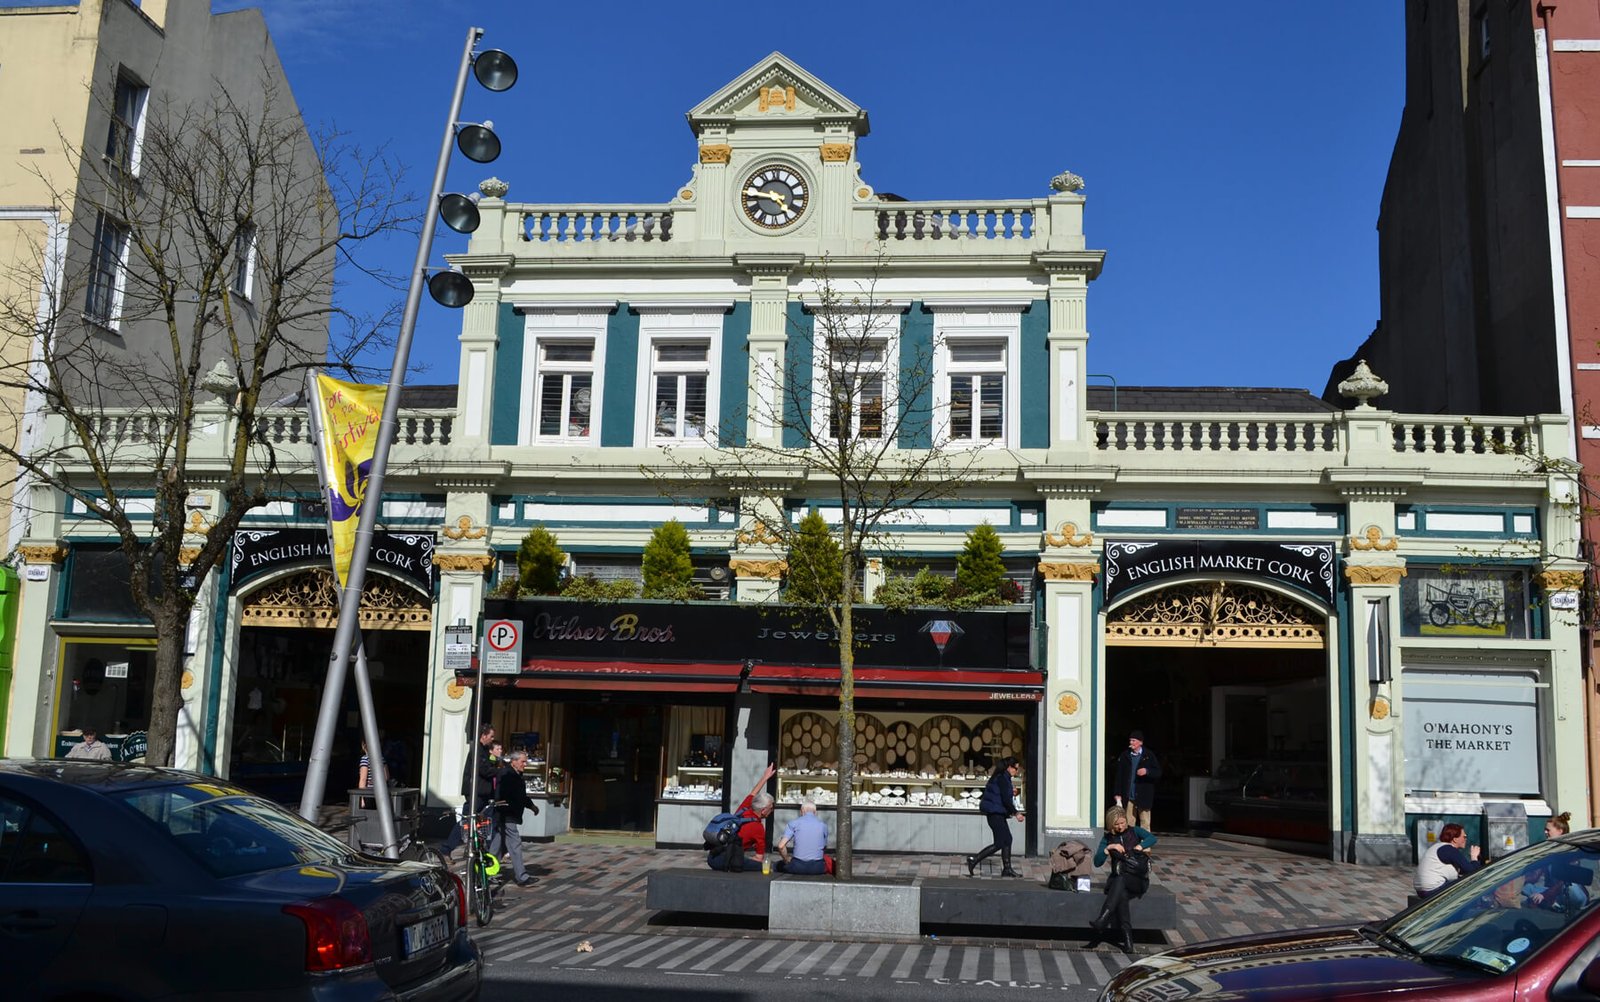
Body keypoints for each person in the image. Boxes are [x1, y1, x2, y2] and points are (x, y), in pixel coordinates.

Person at [1085, 805, 1157, 953]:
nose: (1120, 827)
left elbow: (1152, 838)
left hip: (1138, 880)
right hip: (1120, 880)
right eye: (1116, 824)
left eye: (1122, 823)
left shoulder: (1135, 831)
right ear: (1111, 825)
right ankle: (1128, 942)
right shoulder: (1108, 838)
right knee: (1122, 894)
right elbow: (1097, 862)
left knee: (1121, 880)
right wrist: (1108, 848)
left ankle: (1103, 919)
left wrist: (1140, 846)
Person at [440, 724, 498, 857]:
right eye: (491, 736)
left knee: (483, 819)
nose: (493, 739)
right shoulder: (477, 750)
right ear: (483, 736)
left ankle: (477, 847)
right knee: (466, 821)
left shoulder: (484, 749)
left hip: (482, 792)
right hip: (476, 792)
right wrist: (499, 771)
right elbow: (484, 770)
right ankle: (446, 849)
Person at [707, 762, 776, 872]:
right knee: (768, 866)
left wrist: (765, 777)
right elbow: (759, 858)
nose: (772, 810)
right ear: (763, 810)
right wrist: (753, 859)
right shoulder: (758, 828)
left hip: (712, 856)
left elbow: (753, 793)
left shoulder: (744, 809)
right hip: (726, 861)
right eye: (771, 808)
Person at [966, 756, 1025, 878]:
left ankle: (1007, 868)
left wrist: (1012, 792)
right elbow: (1005, 800)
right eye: (1015, 768)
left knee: (1007, 839)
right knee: (1000, 842)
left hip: (997, 813)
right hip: (995, 814)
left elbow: (1002, 794)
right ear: (1009, 767)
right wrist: (1016, 813)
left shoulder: (1002, 777)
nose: (1016, 771)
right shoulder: (1003, 778)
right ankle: (974, 859)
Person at [489, 749, 540, 888]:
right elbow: (502, 796)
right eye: (523, 761)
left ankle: (485, 873)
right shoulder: (506, 774)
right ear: (514, 762)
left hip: (509, 814)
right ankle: (522, 877)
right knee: (515, 844)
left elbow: (521, 796)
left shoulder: (516, 774)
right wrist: (505, 810)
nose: (525, 764)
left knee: (497, 846)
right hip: (507, 814)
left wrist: (531, 806)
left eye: (525, 761)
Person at [1415, 822, 1482, 898]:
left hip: (1422, 890)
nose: (1466, 839)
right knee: (1469, 884)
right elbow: (1471, 871)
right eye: (1464, 836)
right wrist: (1474, 857)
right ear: (1455, 839)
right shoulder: (1449, 850)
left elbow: (1463, 870)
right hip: (1432, 890)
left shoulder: (1439, 847)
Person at [1112, 731, 1160, 831]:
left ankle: (1145, 846)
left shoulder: (1148, 755)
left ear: (1140, 742)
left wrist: (1147, 771)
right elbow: (1119, 776)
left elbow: (1158, 772)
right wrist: (1117, 793)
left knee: (1145, 822)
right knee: (1129, 822)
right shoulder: (1125, 756)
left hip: (1144, 795)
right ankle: (1130, 844)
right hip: (1129, 796)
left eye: (1134, 740)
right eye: (1130, 740)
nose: (1131, 743)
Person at [776, 799, 832, 875]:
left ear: (802, 811)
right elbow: (824, 847)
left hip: (797, 866)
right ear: (815, 812)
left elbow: (781, 846)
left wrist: (786, 860)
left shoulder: (793, 824)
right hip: (817, 868)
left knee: (777, 865)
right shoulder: (823, 826)